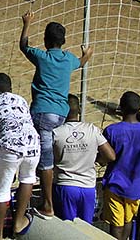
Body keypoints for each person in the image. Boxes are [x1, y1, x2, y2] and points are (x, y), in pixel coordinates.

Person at [19, 10, 93, 218]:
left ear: (45, 40)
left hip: (43, 112)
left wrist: (27, 23)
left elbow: (23, 46)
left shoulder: (42, 57)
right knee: (55, 156)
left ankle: (48, 204)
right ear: (64, 41)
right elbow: (81, 62)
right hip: (62, 114)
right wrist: (87, 54)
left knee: (44, 160)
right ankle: (50, 195)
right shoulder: (68, 59)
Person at [0, 73, 39, 239]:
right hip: (33, 142)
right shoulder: (21, 100)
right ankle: (18, 223)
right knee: (27, 178)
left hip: (9, 145)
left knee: (1, 190)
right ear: (11, 88)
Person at [101, 91, 140, 240]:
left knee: (116, 224)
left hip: (115, 183)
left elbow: (105, 157)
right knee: (128, 220)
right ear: (139, 109)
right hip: (137, 185)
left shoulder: (111, 130)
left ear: (121, 107)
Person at [51, 94, 115, 223]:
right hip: (88, 187)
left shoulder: (56, 133)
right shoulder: (92, 129)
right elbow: (110, 156)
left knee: (67, 229)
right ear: (79, 110)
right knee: (86, 229)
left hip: (66, 185)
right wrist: (95, 157)